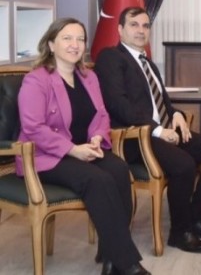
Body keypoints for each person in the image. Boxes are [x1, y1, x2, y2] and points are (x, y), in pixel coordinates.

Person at [94, 7, 201, 254]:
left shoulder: (147, 63)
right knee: (184, 164)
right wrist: (158, 130)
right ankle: (179, 233)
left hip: (161, 132)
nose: (141, 31)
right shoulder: (111, 58)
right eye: (134, 25)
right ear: (120, 29)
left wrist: (176, 114)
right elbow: (118, 105)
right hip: (134, 137)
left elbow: (161, 102)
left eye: (145, 26)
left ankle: (198, 219)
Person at [17, 18, 149, 275]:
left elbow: (101, 115)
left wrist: (97, 137)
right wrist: (72, 149)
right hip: (47, 156)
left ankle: (111, 258)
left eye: (80, 39)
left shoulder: (89, 77)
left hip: (85, 148)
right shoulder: (36, 80)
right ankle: (126, 263)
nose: (75, 45)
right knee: (98, 180)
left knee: (120, 170)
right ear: (51, 44)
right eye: (67, 38)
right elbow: (34, 128)